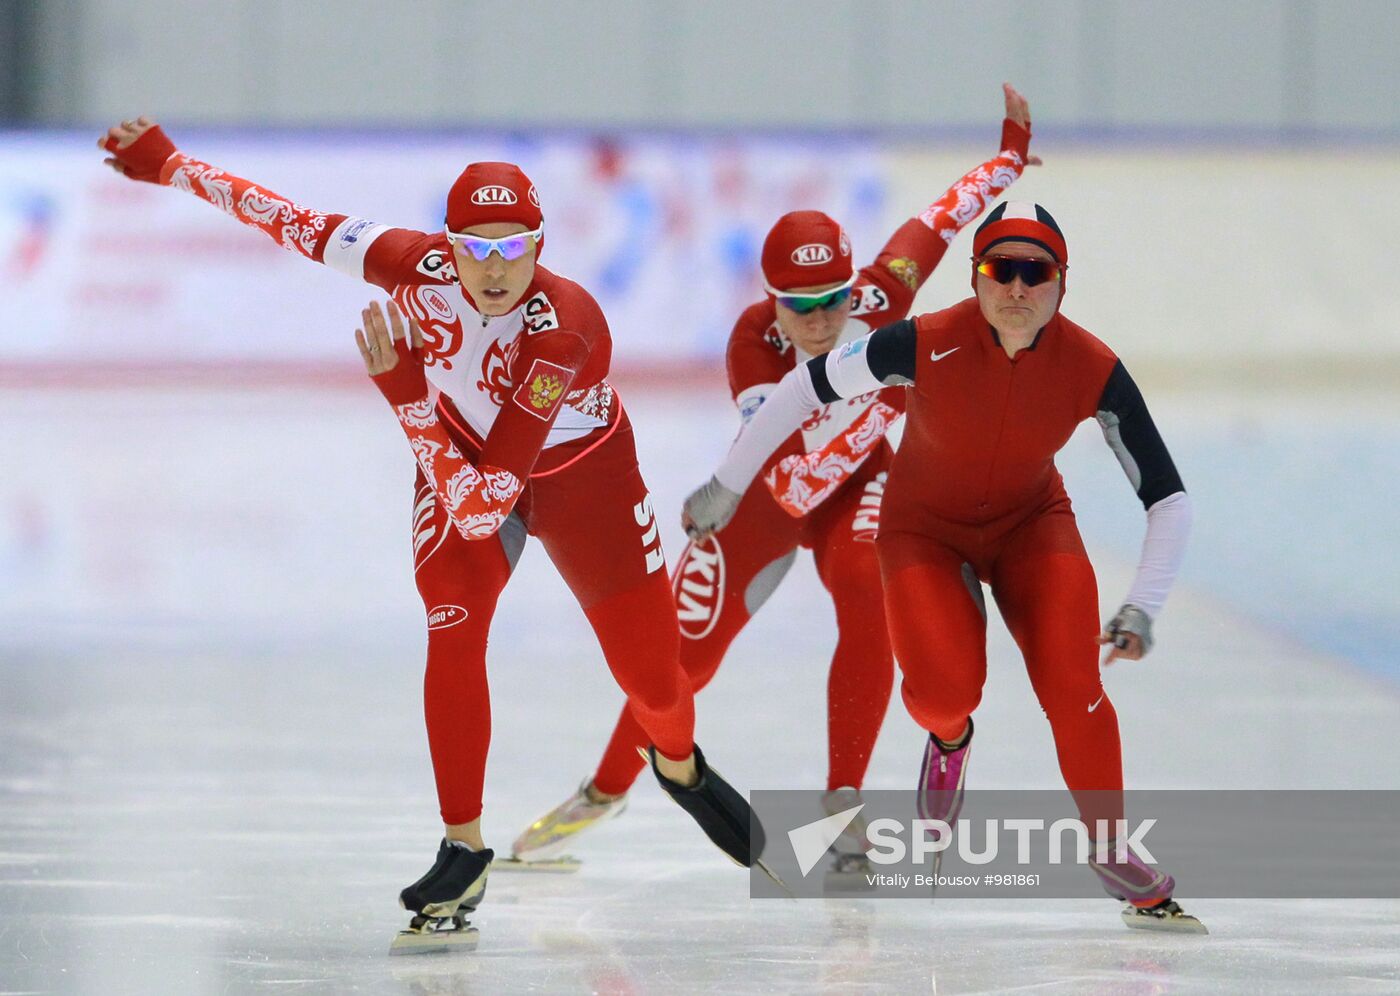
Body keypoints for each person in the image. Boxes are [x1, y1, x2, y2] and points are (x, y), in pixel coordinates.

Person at [98, 121, 762, 945]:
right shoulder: (410, 262)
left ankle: (678, 766)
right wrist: (170, 165)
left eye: (513, 247)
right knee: (451, 609)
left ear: (540, 243)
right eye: (472, 248)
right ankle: (464, 844)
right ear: (446, 246)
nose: (492, 268)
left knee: (657, 687)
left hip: (579, 475)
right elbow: (287, 219)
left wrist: (406, 394)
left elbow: (487, 504)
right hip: (460, 454)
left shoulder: (567, 328)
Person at [511, 85, 1041, 871]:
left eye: (833, 301)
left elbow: (937, 220)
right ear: (770, 301)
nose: (822, 321)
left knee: (870, 597)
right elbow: (782, 426)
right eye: (801, 308)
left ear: (852, 286)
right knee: (680, 663)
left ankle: (842, 804)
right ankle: (610, 784)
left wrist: (1003, 161)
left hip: (858, 483)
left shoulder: (883, 293)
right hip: (764, 502)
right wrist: (724, 488)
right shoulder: (752, 346)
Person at [681, 200, 1205, 933]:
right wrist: (728, 485)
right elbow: (805, 388)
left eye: (1036, 271)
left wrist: (1142, 605)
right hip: (923, 533)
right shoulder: (922, 342)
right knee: (943, 694)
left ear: (1062, 283)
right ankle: (950, 740)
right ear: (976, 276)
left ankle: (1112, 851)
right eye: (1001, 269)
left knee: (1074, 685)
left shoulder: (1094, 368)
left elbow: (1169, 498)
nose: (1017, 289)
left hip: (1032, 529)